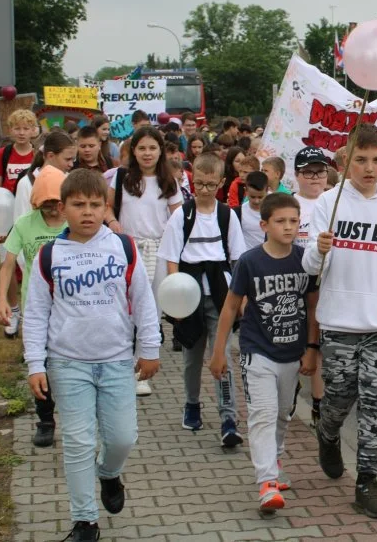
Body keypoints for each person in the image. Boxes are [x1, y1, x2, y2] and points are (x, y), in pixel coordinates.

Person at [22, 169, 160, 542]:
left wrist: (150, 348)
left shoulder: (123, 247)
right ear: (62, 208)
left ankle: (109, 472)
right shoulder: (49, 256)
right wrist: (35, 363)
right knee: (79, 442)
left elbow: (144, 303)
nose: (87, 212)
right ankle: (85, 520)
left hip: (116, 361)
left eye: (95, 205)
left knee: (122, 438)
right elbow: (36, 313)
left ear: (106, 207)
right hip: (67, 363)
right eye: (78, 205)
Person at [302, 123, 377, 519]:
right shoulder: (329, 202)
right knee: (338, 397)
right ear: (346, 161)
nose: (369, 168)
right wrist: (319, 250)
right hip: (338, 324)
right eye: (361, 160)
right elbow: (310, 267)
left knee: (376, 404)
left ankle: (367, 480)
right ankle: (328, 432)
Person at [208, 193, 320, 513]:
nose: (288, 227)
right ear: (264, 225)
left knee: (283, 413)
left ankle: (275, 458)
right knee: (263, 414)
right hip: (257, 350)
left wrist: (312, 349)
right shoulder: (250, 261)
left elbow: (313, 307)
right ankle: (267, 482)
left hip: (293, 352)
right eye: (281, 221)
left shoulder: (305, 260)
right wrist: (219, 352)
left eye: (294, 221)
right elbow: (230, 307)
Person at [159, 153, 247, 445]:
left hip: (221, 295)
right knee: (191, 357)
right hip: (188, 293)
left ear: (221, 183)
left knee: (221, 356)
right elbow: (172, 259)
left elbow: (237, 259)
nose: (205, 189)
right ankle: (192, 404)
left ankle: (228, 417)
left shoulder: (227, 215)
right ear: (191, 180)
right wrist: (175, 302)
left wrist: (241, 297)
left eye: (211, 184)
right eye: (199, 183)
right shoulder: (181, 215)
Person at [106, 126, 182, 396]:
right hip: (127, 249)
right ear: (133, 151)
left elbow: (178, 219)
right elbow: (107, 207)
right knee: (125, 308)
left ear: (160, 150)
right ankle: (120, 365)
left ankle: (141, 370)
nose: (147, 153)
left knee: (150, 311)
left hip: (158, 252)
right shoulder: (121, 177)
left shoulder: (168, 180)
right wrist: (114, 224)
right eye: (142, 148)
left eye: (152, 148)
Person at [0, 166, 68, 448]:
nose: (52, 210)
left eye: (56, 204)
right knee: (40, 366)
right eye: (45, 205)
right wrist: (3, 299)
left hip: (70, 309)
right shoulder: (25, 224)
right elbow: (8, 264)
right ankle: (45, 421)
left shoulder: (72, 223)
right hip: (36, 309)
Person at [0, 108, 39, 338]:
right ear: (10, 130)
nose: (21, 133)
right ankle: (14, 309)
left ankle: (33, 310)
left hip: (30, 215)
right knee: (6, 265)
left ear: (33, 131)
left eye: (26, 128)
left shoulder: (38, 154)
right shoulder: (3, 154)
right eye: (17, 128)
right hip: (6, 217)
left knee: (30, 265)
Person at [291, 146, 331, 430]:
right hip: (294, 279)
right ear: (297, 175)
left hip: (326, 281)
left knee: (317, 344)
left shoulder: (334, 202)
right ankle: (290, 391)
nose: (315, 178)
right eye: (308, 172)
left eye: (320, 172)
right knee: (294, 341)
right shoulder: (288, 203)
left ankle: (319, 402)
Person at [14, 131, 77, 221]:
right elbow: (19, 221)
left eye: (73, 159)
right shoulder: (26, 183)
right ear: (50, 156)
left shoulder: (70, 180)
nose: (71, 164)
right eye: (67, 159)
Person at [239, 171, 268, 248]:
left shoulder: (275, 211)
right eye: (252, 197)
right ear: (246, 191)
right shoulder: (238, 212)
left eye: (260, 197)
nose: (256, 201)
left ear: (267, 191)